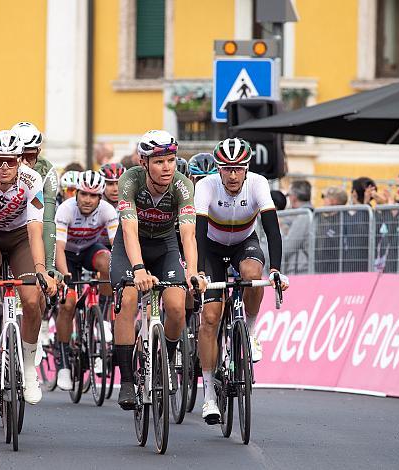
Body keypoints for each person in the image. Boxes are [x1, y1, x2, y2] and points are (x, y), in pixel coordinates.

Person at [109, 129, 206, 410]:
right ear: (144, 163)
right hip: (131, 245)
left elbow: (188, 234)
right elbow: (128, 229)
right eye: (159, 162)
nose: (167, 168)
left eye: (171, 161)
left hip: (165, 245)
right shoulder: (130, 181)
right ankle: (127, 381)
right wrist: (138, 269)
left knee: (177, 306)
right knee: (127, 300)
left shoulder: (183, 185)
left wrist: (193, 272)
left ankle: (166, 361)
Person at [195, 137, 288, 424]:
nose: (233, 175)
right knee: (210, 318)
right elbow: (198, 234)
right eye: (226, 169)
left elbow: (272, 230)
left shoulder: (258, 183)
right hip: (210, 247)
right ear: (218, 169)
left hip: (243, 243)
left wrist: (275, 269)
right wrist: (198, 273)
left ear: (246, 168)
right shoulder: (205, 186)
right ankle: (209, 395)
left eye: (238, 169)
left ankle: (249, 331)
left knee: (251, 275)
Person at [0, 130, 56, 413]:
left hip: (19, 238)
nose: (4, 167)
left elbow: (35, 230)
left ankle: (29, 369)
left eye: (11, 161)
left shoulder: (32, 180)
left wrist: (41, 269)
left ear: (19, 161)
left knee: (31, 299)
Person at [54, 170, 118, 390]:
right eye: (83, 194)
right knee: (68, 304)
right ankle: (63, 363)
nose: (87, 200)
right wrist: (64, 277)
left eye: (93, 196)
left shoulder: (108, 211)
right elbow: (59, 248)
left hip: (90, 249)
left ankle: (104, 317)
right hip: (67, 255)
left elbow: (116, 245)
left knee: (109, 262)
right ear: (77, 194)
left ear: (100, 198)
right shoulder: (65, 209)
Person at [11, 122, 59, 275]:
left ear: (39, 152)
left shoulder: (47, 171)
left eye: (30, 156)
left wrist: (49, 266)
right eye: (20, 156)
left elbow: (47, 221)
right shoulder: (1, 167)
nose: (25, 162)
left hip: (30, 230)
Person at [282, 180, 313, 274]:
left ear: (294, 197)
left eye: (289, 195)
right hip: (303, 268)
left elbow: (288, 247)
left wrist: (282, 229)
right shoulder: (309, 214)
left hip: (300, 271)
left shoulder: (303, 217)